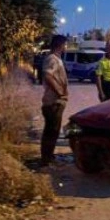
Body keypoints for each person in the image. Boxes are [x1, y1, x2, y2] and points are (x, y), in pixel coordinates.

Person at [40, 35, 68, 167]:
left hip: (56, 101)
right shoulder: (52, 59)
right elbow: (48, 76)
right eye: (65, 44)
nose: (66, 47)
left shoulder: (57, 59)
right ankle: (46, 159)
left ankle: (49, 157)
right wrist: (60, 91)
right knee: (51, 131)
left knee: (53, 131)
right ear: (60, 45)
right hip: (53, 102)